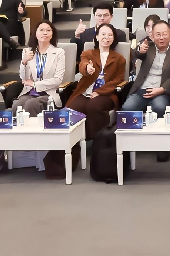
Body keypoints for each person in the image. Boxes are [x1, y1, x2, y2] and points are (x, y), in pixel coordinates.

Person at [53, 23, 127, 179]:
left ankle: (96, 143)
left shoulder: (119, 59)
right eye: (103, 34)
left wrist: (100, 91)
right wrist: (87, 69)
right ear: (97, 37)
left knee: (94, 106)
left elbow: (119, 80)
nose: (106, 38)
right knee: (74, 107)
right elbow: (82, 66)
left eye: (110, 35)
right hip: (85, 91)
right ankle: (72, 147)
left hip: (106, 94)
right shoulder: (88, 53)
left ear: (113, 38)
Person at [122, 21, 170, 159]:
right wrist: (140, 51)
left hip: (162, 90)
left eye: (164, 34)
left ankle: (162, 147)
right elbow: (136, 54)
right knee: (127, 108)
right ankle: (128, 148)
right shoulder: (148, 46)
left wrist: (162, 89)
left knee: (160, 107)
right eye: (158, 34)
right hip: (142, 89)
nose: (161, 37)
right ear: (152, 36)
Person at [13, 21, 67, 120]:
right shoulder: (27, 51)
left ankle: (31, 129)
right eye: (41, 30)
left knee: (31, 104)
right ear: (35, 33)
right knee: (17, 105)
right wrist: (24, 62)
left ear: (52, 34)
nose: (45, 33)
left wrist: (35, 84)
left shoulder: (59, 52)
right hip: (30, 92)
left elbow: (58, 79)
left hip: (49, 93)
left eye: (48, 30)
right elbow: (24, 78)